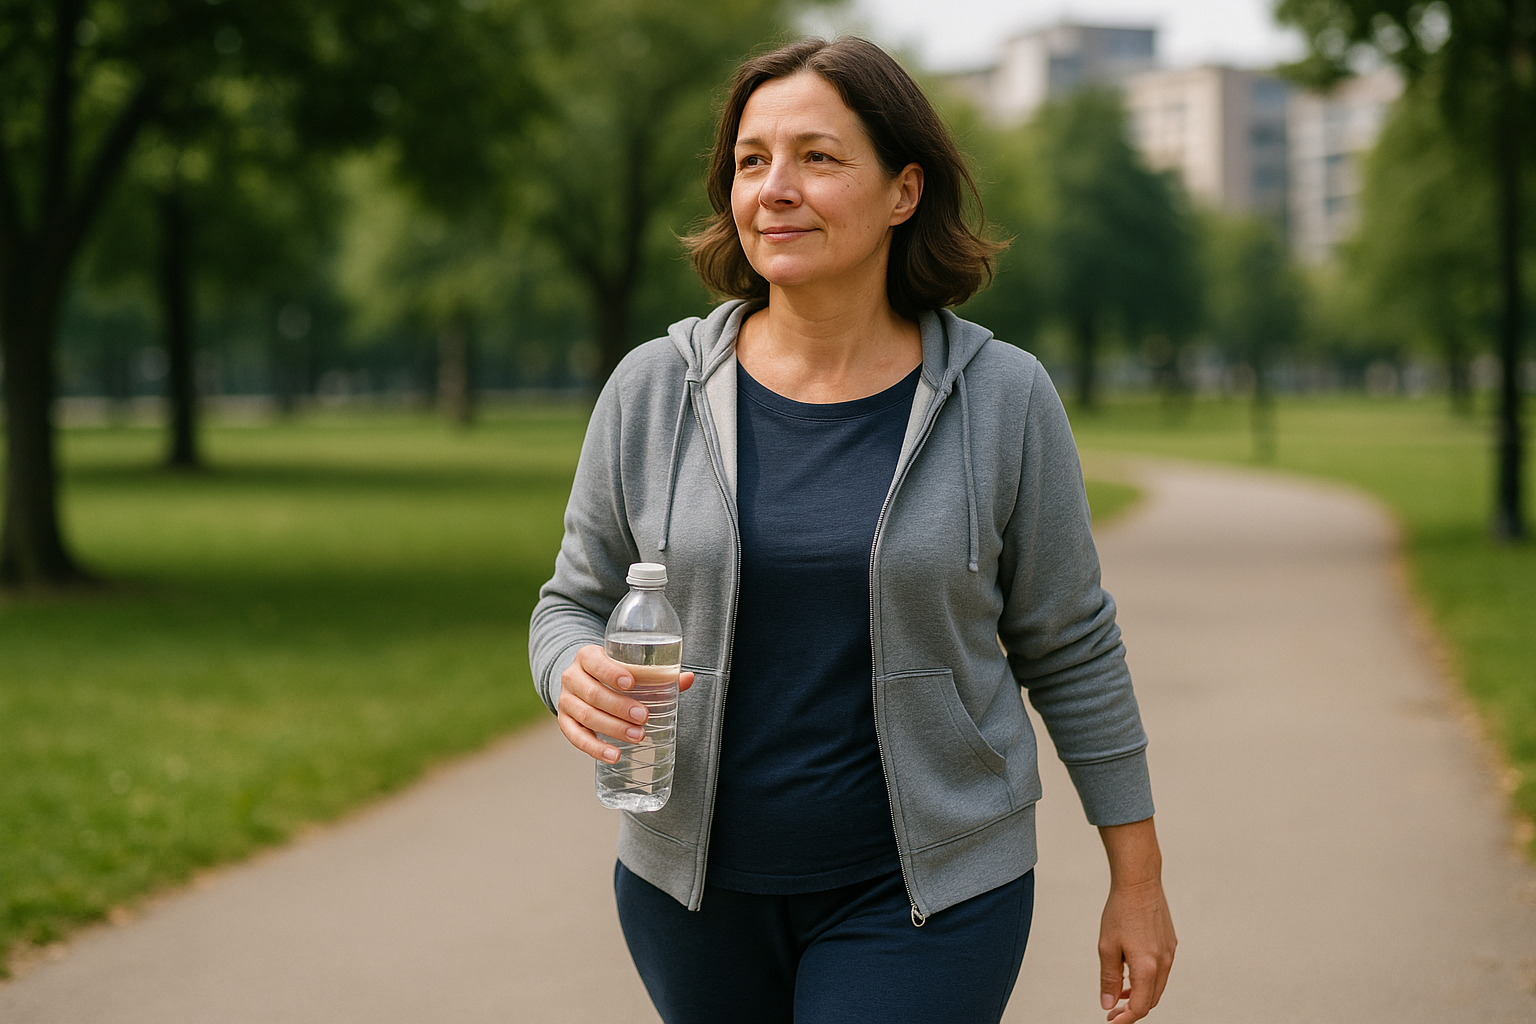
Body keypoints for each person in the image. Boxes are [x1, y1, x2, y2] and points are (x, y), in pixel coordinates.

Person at [529, 36, 1175, 1024]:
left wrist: (1137, 877)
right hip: (690, 894)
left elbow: (1071, 641)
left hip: (930, 894)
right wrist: (569, 667)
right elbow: (571, 599)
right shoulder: (652, 390)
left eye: (818, 158)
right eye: (752, 161)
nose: (774, 189)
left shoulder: (1003, 399)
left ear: (904, 191)